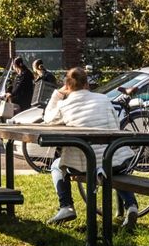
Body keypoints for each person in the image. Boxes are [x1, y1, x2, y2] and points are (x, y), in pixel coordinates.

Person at [41, 67, 139, 228]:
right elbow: (116, 123)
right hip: (115, 158)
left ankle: (66, 206)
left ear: (67, 86)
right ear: (87, 83)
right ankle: (131, 206)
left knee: (57, 166)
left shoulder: (64, 105)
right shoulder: (103, 99)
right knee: (114, 171)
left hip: (87, 165)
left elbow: (48, 118)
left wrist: (58, 94)